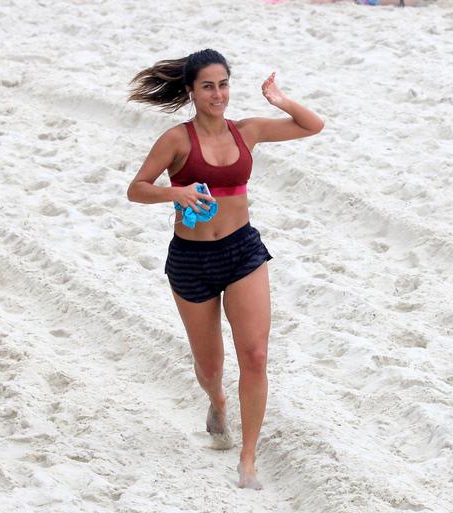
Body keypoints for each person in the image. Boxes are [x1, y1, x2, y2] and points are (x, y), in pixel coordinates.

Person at [126, 49, 323, 489]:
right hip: (191, 260)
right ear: (192, 92)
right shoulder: (176, 140)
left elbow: (313, 126)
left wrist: (281, 100)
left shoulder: (248, 131)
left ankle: (248, 458)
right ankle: (216, 400)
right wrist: (172, 195)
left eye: (223, 84)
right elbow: (136, 189)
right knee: (210, 366)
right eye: (208, 86)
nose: (218, 94)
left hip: (242, 253)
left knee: (254, 355)